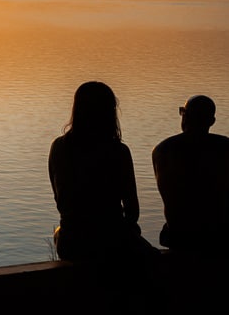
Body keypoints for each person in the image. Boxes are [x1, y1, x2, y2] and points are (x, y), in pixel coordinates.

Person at [48, 81, 156, 262]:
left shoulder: (59, 147)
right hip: (110, 240)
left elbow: (60, 199)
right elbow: (132, 210)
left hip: (71, 242)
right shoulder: (118, 151)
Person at [152, 95, 229, 252]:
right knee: (228, 166)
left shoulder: (162, 149)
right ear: (211, 122)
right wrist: (228, 145)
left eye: (183, 112)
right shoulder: (225, 146)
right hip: (218, 235)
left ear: (185, 118)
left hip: (177, 234)